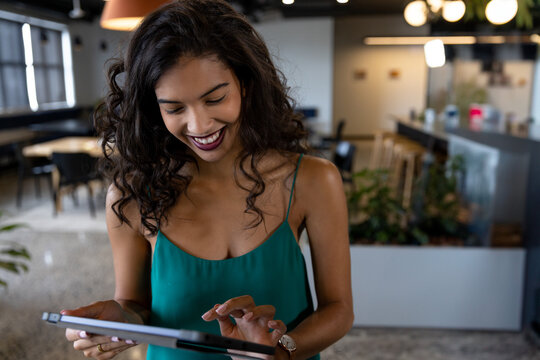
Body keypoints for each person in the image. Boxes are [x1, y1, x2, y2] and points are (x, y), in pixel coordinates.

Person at [62, 0, 353, 359]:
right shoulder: (132, 195)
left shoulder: (311, 180)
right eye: (174, 108)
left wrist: (281, 351)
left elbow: (338, 310)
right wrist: (119, 317)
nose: (199, 126)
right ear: (154, 109)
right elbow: (135, 303)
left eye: (215, 98)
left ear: (245, 84)